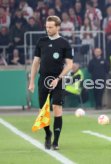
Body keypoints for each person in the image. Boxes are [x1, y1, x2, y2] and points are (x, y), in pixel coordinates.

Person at [28, 15, 73, 150]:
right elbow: (36, 63)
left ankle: (56, 142)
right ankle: (48, 134)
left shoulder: (65, 43)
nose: (48, 29)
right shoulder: (41, 42)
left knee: (57, 108)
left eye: (51, 27)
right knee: (44, 111)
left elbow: (69, 65)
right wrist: (32, 82)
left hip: (59, 80)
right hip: (44, 80)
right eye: (47, 27)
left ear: (58, 27)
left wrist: (58, 79)